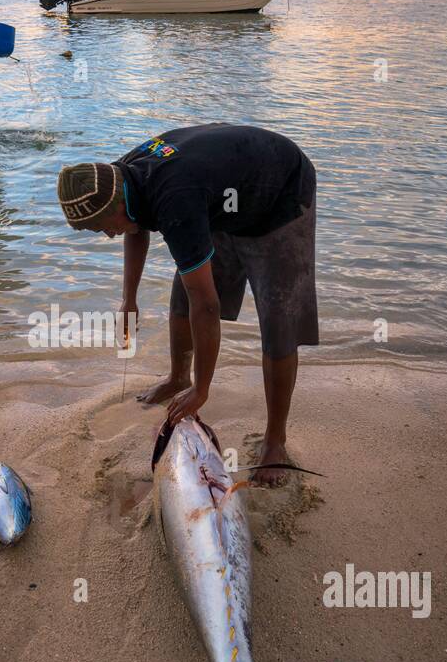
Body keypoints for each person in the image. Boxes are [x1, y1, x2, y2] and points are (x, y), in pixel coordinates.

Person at [56, 123, 318, 485]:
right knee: (183, 293)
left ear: (116, 202)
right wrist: (128, 299)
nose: (107, 234)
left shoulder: (174, 198)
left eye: (102, 226)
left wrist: (204, 389)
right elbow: (135, 226)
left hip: (280, 194)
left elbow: (207, 305)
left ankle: (275, 440)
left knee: (277, 322)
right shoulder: (115, 177)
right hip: (222, 198)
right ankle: (179, 376)